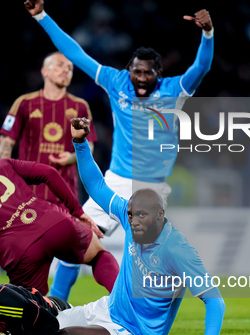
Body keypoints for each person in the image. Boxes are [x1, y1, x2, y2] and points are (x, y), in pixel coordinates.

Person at [23, 0, 214, 300]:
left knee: (145, 261)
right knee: (75, 239)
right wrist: (42, 17)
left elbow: (201, 67)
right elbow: (76, 53)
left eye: (147, 74)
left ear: (159, 74)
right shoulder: (117, 82)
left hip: (151, 189)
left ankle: (144, 313)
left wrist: (207, 34)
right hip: (114, 182)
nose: (140, 78)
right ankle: (57, 305)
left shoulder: (174, 91)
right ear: (129, 70)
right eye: (136, 72)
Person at [53, 117, 224, 335]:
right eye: (131, 215)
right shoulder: (128, 215)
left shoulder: (177, 249)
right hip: (107, 309)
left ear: (160, 215)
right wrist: (80, 143)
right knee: (46, 320)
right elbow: (97, 186)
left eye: (142, 215)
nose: (133, 221)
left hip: (134, 334)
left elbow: (215, 301)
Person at [0, 148, 118, 296]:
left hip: (22, 254)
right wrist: (77, 212)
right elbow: (49, 173)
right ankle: (132, 308)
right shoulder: (1, 164)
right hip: (54, 222)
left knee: (31, 314)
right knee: (98, 254)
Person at [0, 51, 97, 301]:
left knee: (79, 251)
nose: (66, 70)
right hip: (26, 197)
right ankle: (31, 307)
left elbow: (91, 147)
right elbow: (6, 143)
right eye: (60, 66)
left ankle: (57, 301)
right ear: (45, 71)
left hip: (65, 194)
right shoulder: (25, 103)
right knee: (28, 260)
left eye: (70, 68)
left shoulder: (79, 106)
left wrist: (71, 156)